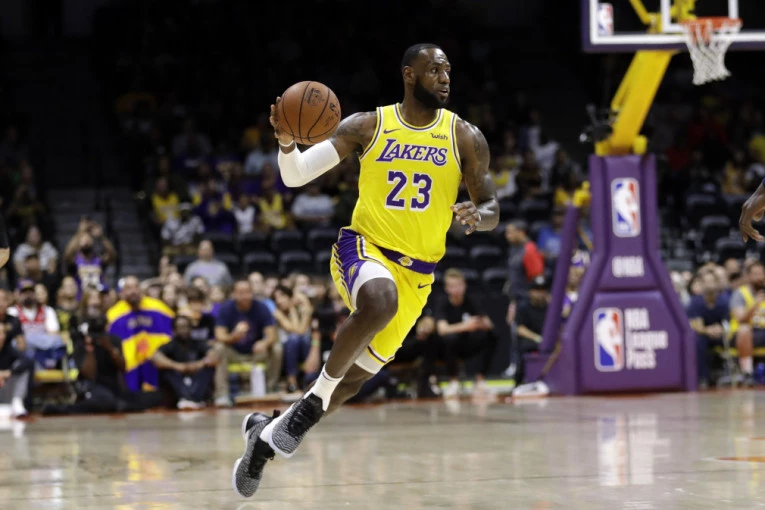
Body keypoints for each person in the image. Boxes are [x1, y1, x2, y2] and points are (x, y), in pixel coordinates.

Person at [232, 43, 499, 497]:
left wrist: (480, 214)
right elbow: (295, 175)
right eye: (435, 70)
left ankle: (264, 437)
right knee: (378, 301)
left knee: (352, 382)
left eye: (448, 70)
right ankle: (308, 407)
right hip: (364, 248)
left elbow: (491, 205)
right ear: (409, 74)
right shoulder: (368, 125)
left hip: (419, 275)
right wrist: (286, 142)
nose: (445, 78)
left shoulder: (464, 137)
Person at [213, 280, 281, 407]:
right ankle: (222, 394)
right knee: (219, 348)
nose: (244, 296)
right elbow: (219, 335)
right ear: (234, 294)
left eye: (247, 292)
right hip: (234, 352)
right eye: (240, 293)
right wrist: (233, 337)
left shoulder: (261, 307)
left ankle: (270, 388)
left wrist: (264, 343)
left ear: (252, 293)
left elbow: (272, 335)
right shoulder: (226, 308)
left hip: (256, 353)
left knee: (276, 348)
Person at [106, 276, 175, 392]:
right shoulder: (113, 315)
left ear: (141, 289)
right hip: (130, 368)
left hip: (156, 365)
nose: (133, 291)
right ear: (122, 293)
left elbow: (173, 329)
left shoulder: (158, 307)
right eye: (128, 288)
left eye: (136, 287)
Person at [151, 315, 217, 409]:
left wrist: (199, 364)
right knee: (167, 371)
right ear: (174, 330)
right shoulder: (170, 345)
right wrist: (177, 366)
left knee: (208, 369)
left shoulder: (198, 343)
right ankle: (187, 398)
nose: (184, 330)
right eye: (181, 327)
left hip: (196, 377)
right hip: (178, 379)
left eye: (187, 327)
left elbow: (213, 356)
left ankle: (194, 399)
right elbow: (155, 357)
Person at [686, 270, 729, 388]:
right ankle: (702, 378)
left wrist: (722, 329)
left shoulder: (724, 301)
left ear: (717, 283)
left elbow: (727, 321)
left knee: (733, 337)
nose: (709, 285)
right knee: (698, 341)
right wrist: (708, 330)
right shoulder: (695, 302)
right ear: (701, 284)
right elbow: (697, 326)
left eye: (712, 281)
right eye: (706, 282)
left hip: (721, 334)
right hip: (704, 335)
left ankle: (735, 373)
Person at [727, 261, 765, 385]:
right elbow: (741, 319)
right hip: (740, 335)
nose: (759, 277)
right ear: (748, 276)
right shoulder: (740, 293)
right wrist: (755, 304)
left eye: (761, 274)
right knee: (744, 329)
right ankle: (747, 373)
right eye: (755, 274)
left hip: (762, 332)